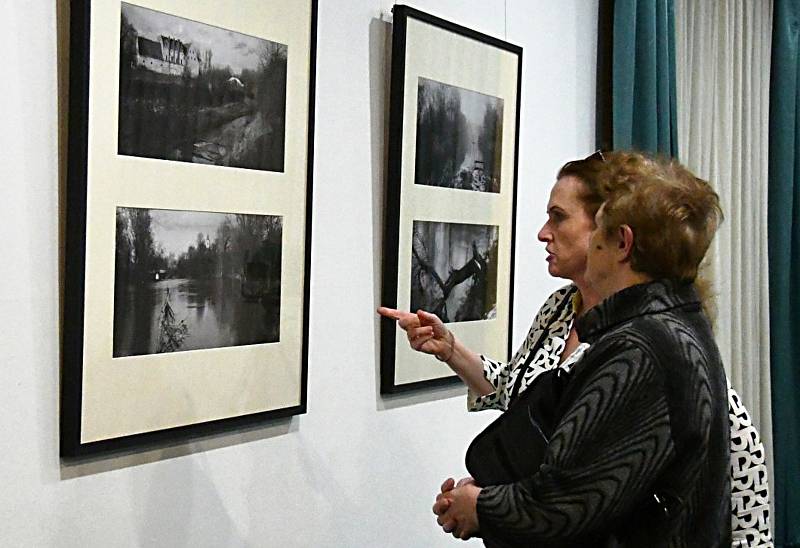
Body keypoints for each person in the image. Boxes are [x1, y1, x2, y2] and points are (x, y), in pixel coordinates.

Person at [432, 152, 731, 546]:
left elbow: (563, 501)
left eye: (599, 232)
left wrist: (482, 506)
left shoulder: (639, 350)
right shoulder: (673, 325)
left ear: (621, 242)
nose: (545, 233)